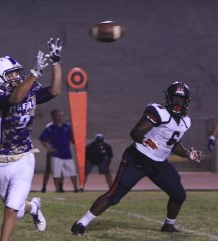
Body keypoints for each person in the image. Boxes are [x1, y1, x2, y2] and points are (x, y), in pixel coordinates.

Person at [71, 81, 202, 235]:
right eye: (175, 98)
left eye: (181, 99)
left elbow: (173, 143)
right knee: (114, 196)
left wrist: (187, 153)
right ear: (168, 98)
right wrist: (145, 139)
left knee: (179, 195)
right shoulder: (158, 111)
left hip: (159, 164)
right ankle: (81, 223)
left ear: (187, 101)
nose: (178, 102)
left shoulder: (186, 122)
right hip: (138, 159)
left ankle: (168, 225)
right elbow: (136, 132)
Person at [0, 38, 63, 241]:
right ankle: (34, 207)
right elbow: (15, 98)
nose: (17, 76)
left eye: (18, 72)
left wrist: (55, 62)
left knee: (10, 210)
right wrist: (34, 74)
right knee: (16, 210)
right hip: (0, 162)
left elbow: (55, 90)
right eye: (12, 74)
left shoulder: (30, 90)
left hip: (23, 159)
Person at [39, 110, 79, 193]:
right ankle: (57, 189)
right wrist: (49, 148)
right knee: (56, 172)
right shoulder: (50, 127)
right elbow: (42, 139)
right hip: (56, 154)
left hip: (67, 153)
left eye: (61, 115)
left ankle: (76, 188)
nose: (60, 117)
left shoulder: (67, 126)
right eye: (58, 115)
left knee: (72, 171)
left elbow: (72, 139)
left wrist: (77, 143)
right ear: (53, 117)